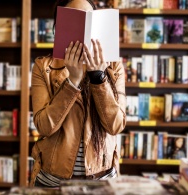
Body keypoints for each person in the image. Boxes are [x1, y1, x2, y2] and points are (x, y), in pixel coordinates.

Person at [30, 0, 126, 187]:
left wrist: (98, 77)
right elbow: (44, 127)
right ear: (59, 28)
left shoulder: (113, 67)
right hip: (53, 182)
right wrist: (71, 82)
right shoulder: (44, 67)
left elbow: (116, 125)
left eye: (88, 21)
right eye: (74, 20)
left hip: (101, 181)